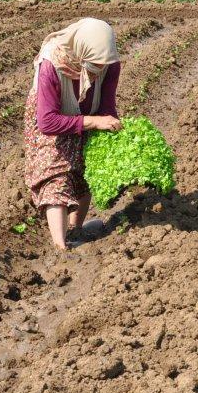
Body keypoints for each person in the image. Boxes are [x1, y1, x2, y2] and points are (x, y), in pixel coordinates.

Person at [24, 18, 123, 251]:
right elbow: (47, 121)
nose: (98, 71)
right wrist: (93, 121)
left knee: (85, 168)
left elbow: (107, 105)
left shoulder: (109, 63)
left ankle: (75, 229)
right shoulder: (52, 64)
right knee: (56, 173)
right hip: (52, 118)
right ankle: (61, 246)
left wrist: (109, 129)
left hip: (88, 114)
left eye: (102, 65)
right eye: (93, 65)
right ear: (80, 52)